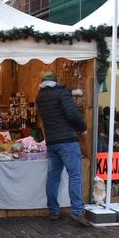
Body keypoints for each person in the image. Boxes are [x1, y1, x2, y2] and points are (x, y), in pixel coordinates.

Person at [35, 71, 89, 226]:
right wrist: (83, 128)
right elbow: (72, 114)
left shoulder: (40, 97)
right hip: (67, 140)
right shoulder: (62, 94)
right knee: (75, 175)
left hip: (51, 141)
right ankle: (77, 211)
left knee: (53, 177)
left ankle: (53, 210)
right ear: (56, 81)